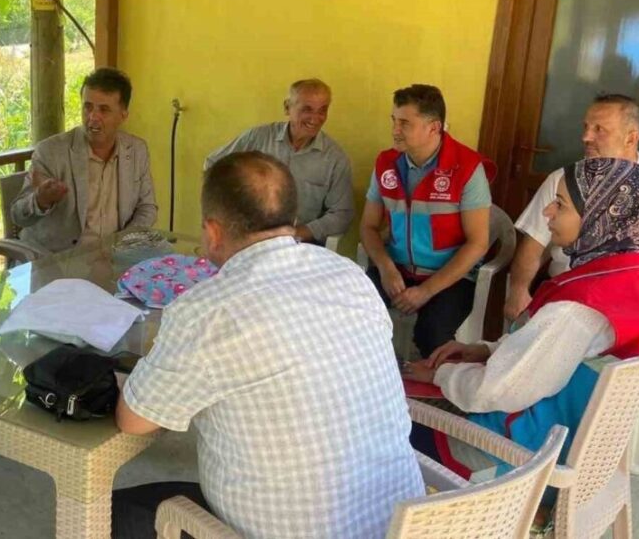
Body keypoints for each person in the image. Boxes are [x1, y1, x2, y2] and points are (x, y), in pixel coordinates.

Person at [112, 151, 424, 539]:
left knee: (113, 512)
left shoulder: (207, 310)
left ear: (212, 232)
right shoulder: (349, 274)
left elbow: (135, 420)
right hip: (403, 526)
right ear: (292, 220)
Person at [404, 158, 639, 484]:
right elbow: (559, 355)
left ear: (602, 217)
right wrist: (486, 350)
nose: (548, 211)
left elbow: (494, 391)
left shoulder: (579, 309)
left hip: (520, 462)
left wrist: (438, 374)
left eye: (560, 204)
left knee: (392, 424)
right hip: (578, 456)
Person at [504, 94, 639, 320]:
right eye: (586, 127)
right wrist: (518, 291)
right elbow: (534, 243)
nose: (586, 137)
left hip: (632, 309)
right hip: (565, 296)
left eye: (599, 130)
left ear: (631, 138)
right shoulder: (564, 180)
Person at [360, 84, 493, 357]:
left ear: (434, 127)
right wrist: (386, 268)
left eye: (405, 123)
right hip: (397, 271)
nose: (395, 130)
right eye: (394, 120)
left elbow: (478, 243)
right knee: (351, 312)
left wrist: (426, 291)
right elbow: (368, 226)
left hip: (449, 278)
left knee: (432, 334)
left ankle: (435, 382)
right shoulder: (386, 163)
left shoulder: (467, 167)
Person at [11, 67, 157, 253]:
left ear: (123, 115)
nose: (93, 117)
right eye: (88, 107)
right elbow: (18, 216)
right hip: (57, 260)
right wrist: (40, 200)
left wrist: (124, 244)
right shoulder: (51, 151)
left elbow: (147, 207)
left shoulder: (136, 150)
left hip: (115, 257)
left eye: (104, 110)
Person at [203, 78, 354, 245]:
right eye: (307, 109)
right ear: (287, 108)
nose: (316, 118)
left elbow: (342, 214)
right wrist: (228, 212)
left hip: (299, 244)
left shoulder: (334, 159)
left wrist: (296, 233)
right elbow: (213, 164)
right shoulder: (258, 138)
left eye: (322, 110)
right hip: (248, 237)